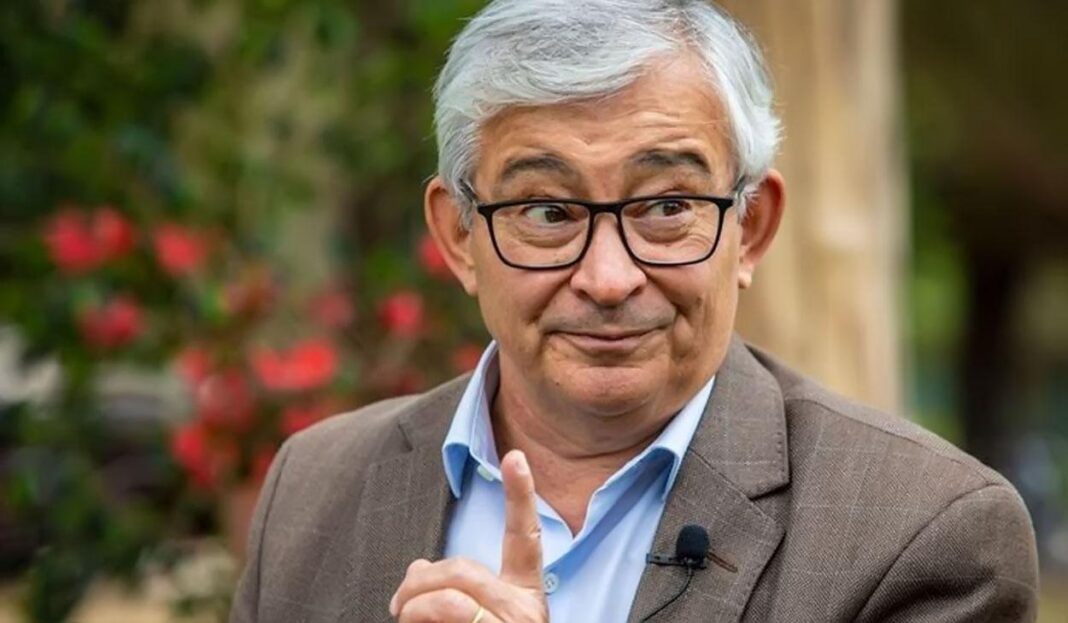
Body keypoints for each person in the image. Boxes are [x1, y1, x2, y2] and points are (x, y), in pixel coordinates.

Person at [230, 1, 1039, 621]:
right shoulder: (315, 490)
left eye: (666, 206)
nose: (609, 278)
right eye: (548, 212)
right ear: (460, 237)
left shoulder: (922, 531)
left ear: (751, 227)